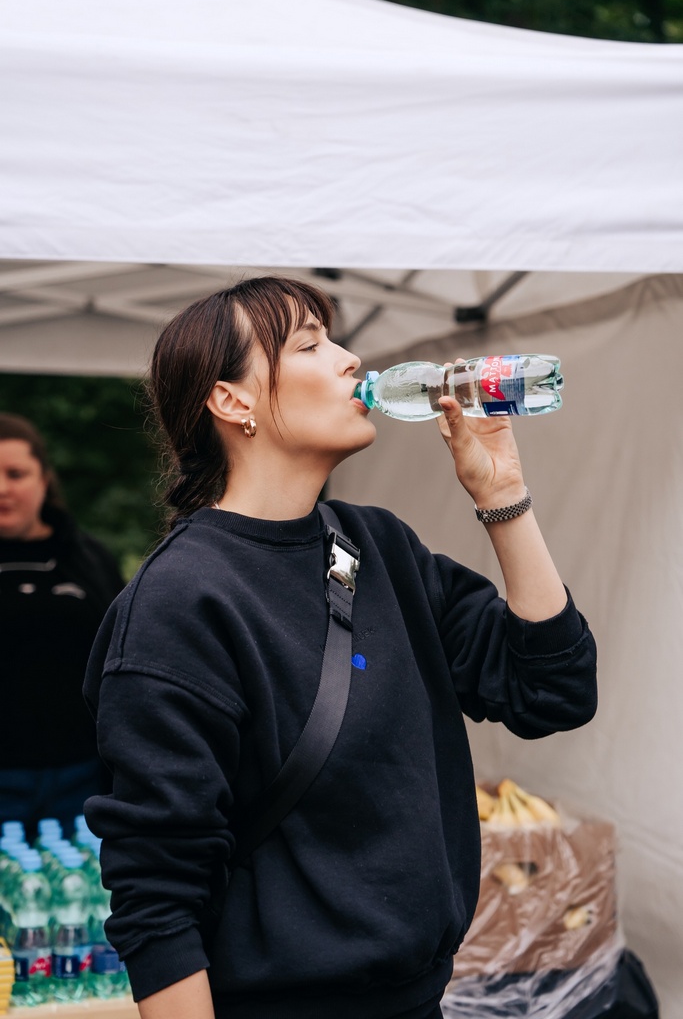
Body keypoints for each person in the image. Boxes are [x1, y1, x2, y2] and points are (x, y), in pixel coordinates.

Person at [83, 276, 597, 1019]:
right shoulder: (180, 603)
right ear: (232, 400)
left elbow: (552, 691)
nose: (351, 359)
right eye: (309, 345)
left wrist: (502, 497)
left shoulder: (376, 545)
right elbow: (157, 900)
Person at [0, 413, 124, 841]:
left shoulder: (87, 559)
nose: (2, 488)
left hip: (81, 778)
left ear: (43, 480)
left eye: (16, 474)